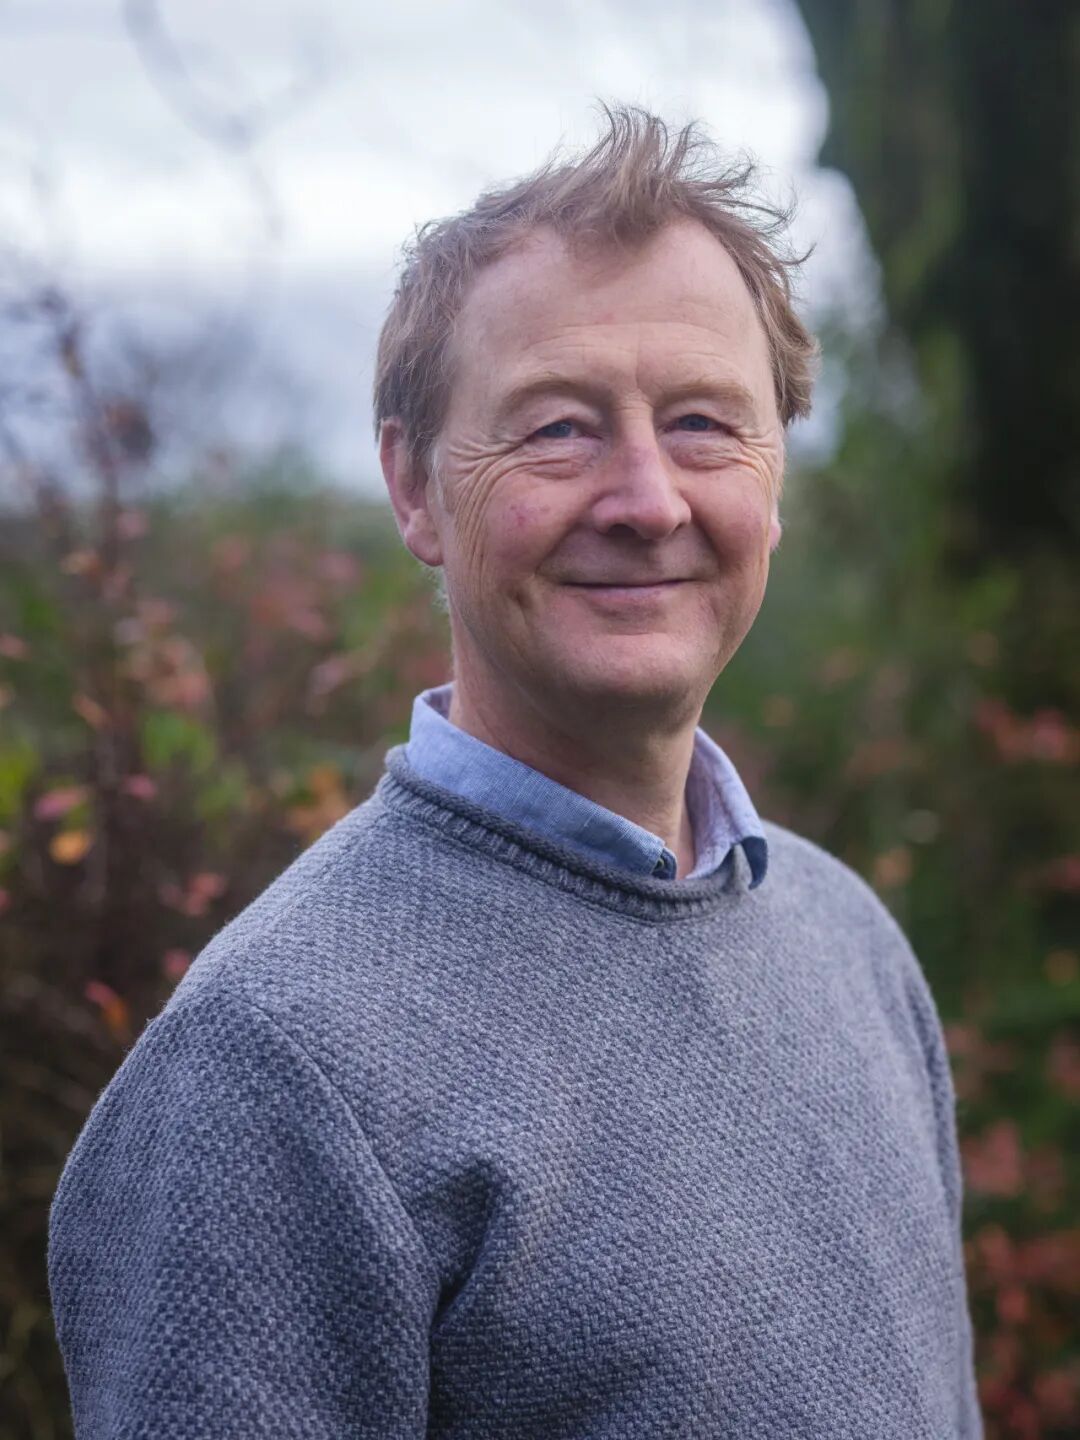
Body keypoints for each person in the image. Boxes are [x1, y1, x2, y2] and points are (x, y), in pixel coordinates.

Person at [48, 104, 983, 1437]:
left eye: (703, 422)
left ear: (775, 477)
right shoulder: (272, 1065)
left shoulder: (850, 943)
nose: (648, 498)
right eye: (557, 429)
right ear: (414, 487)